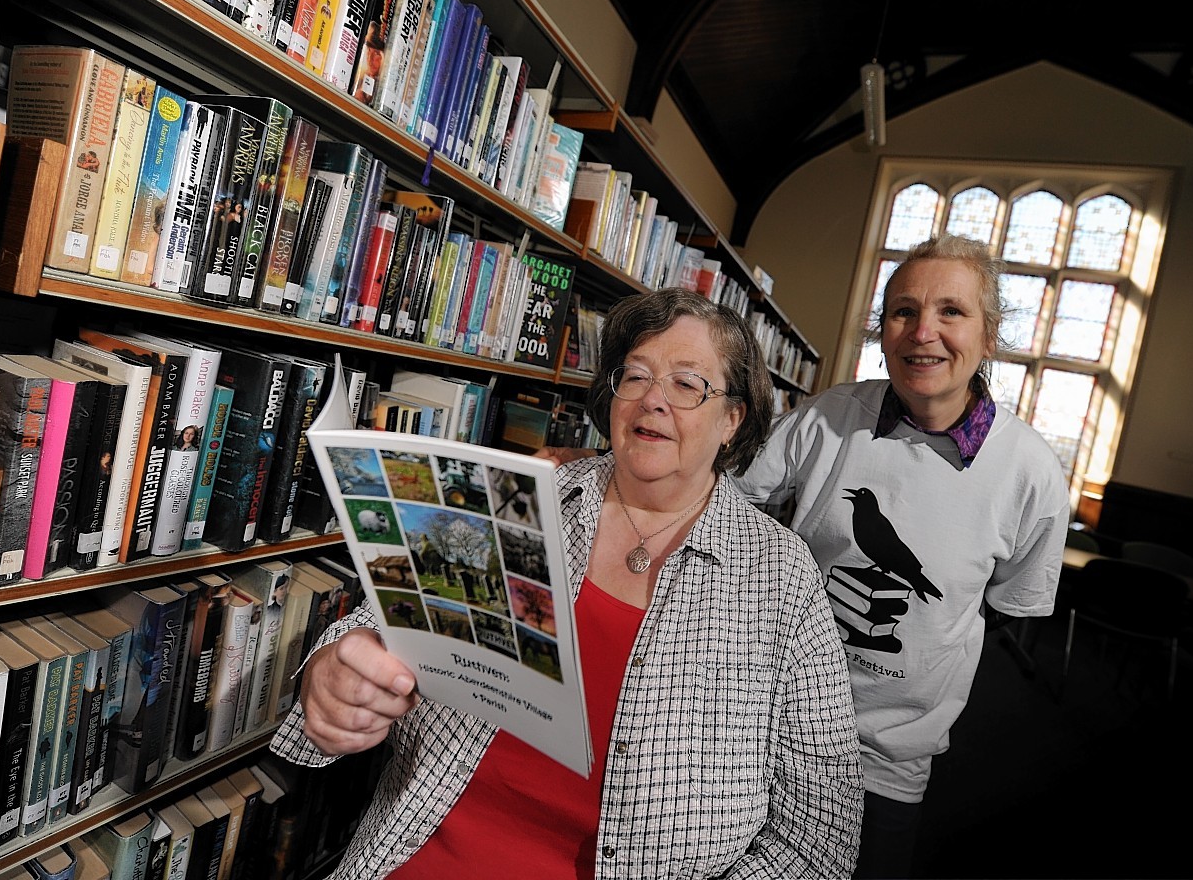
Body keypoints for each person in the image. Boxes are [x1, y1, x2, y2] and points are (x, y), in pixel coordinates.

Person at [271, 289, 863, 879]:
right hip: (417, 857)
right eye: (635, 376)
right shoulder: (523, 497)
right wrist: (333, 673)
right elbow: (378, 622)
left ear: (732, 418)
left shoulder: (778, 575)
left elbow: (817, 835)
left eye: (687, 384)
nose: (652, 400)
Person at [543, 234, 1068, 878]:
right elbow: (711, 485)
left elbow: (1013, 604)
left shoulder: (1033, 474)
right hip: (747, 720)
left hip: (886, 754)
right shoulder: (829, 418)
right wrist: (600, 470)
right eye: (903, 311)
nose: (923, 331)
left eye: (951, 312)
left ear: (990, 336)